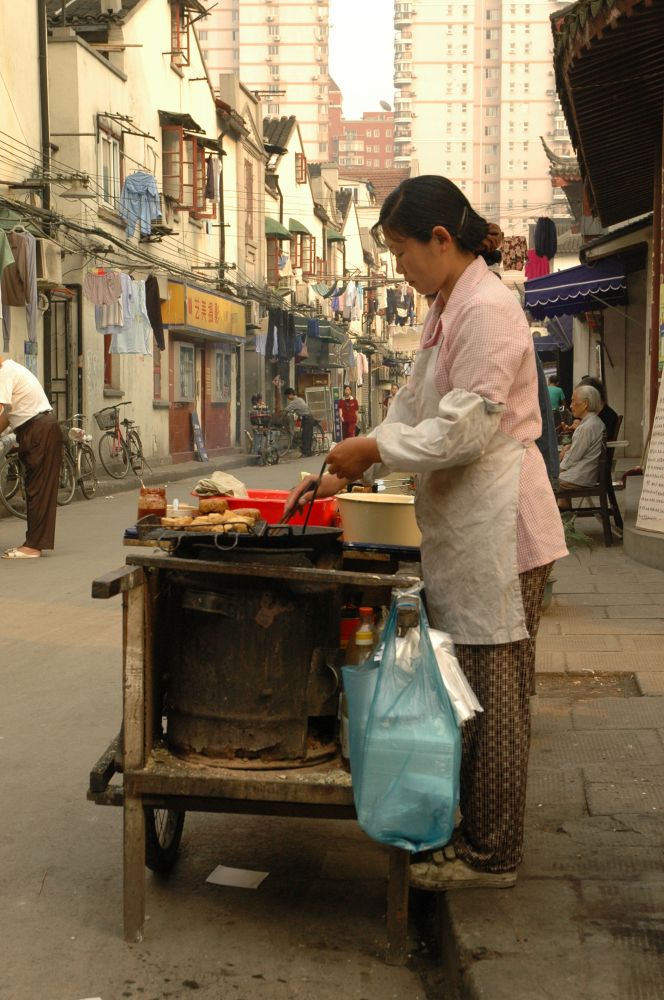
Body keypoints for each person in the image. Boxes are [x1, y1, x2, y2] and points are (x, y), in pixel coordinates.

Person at [284, 175, 567, 890]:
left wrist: (374, 452)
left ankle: (493, 854)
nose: (400, 269)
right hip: (467, 526)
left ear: (442, 239)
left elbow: (465, 429)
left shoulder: (488, 309)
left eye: (402, 251)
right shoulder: (447, 308)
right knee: (467, 689)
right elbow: (411, 409)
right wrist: (337, 475)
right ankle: (466, 832)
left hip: (502, 526)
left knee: (497, 692)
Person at [0, 355, 63, 559]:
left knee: (38, 488)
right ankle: (33, 543)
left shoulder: (5, 372)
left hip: (38, 430)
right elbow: (7, 415)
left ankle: (33, 547)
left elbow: (1, 410)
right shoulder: (12, 370)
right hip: (37, 429)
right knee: (35, 487)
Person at [557, 384, 606, 509]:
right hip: (585, 474)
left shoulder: (586, 427)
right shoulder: (594, 422)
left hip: (580, 476)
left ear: (585, 404)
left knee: (541, 481)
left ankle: (555, 521)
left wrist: (556, 470)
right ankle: (565, 515)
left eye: (573, 401)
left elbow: (572, 458)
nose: (571, 405)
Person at [285, 387, 314, 457]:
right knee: (306, 435)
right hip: (308, 417)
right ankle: (307, 452)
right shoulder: (300, 399)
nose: (287, 398)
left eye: (287, 396)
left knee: (306, 436)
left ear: (291, 394)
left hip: (307, 418)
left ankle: (306, 453)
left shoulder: (294, 402)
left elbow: (286, 410)